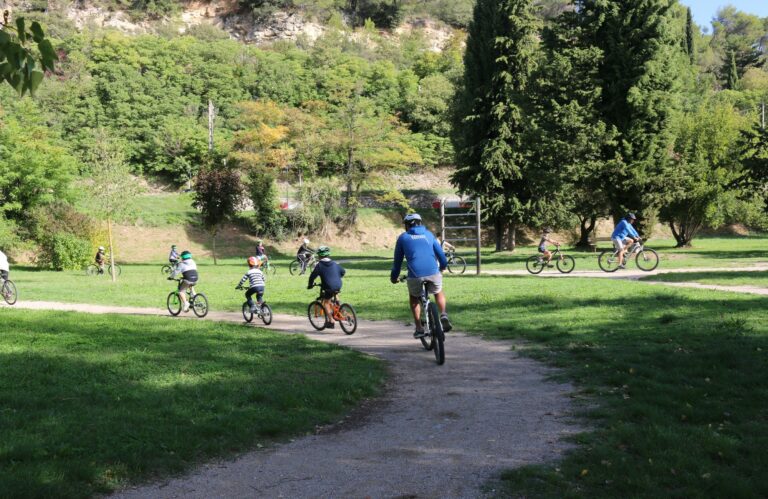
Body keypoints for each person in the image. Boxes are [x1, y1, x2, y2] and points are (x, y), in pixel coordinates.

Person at [390, 213, 452, 338]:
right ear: (420, 223)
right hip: (433, 272)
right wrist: (443, 267)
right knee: (438, 291)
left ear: (407, 225)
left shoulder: (403, 238)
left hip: (415, 275)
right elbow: (441, 256)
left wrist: (393, 277)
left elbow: (397, 263)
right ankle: (443, 314)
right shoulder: (429, 235)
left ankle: (419, 327)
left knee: (414, 297)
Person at [308, 246, 346, 329]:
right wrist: (336, 276)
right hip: (338, 284)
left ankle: (331, 321)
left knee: (326, 302)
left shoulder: (319, 265)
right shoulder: (334, 263)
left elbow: (312, 276)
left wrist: (310, 285)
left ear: (319, 255)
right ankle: (340, 307)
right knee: (334, 292)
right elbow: (343, 271)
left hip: (328, 286)